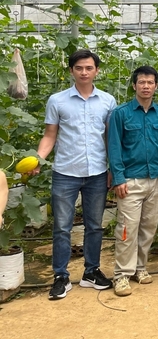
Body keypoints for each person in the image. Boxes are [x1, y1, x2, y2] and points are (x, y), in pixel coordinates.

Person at [33, 49, 117, 300]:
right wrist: (38, 160)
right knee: (61, 227)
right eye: (79, 68)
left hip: (97, 173)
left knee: (94, 226)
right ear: (71, 71)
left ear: (96, 71)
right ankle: (61, 276)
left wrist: (113, 169)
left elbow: (109, 138)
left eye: (89, 68)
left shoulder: (107, 101)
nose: (84, 72)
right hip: (65, 172)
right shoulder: (57, 101)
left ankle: (91, 271)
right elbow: (50, 135)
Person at [107, 66, 158, 297]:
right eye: (142, 82)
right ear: (134, 85)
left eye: (150, 82)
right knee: (127, 228)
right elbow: (114, 147)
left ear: (156, 86)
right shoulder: (121, 113)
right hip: (131, 180)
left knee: (149, 226)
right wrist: (118, 178)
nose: (146, 86)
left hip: (157, 178)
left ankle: (140, 268)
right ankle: (121, 274)